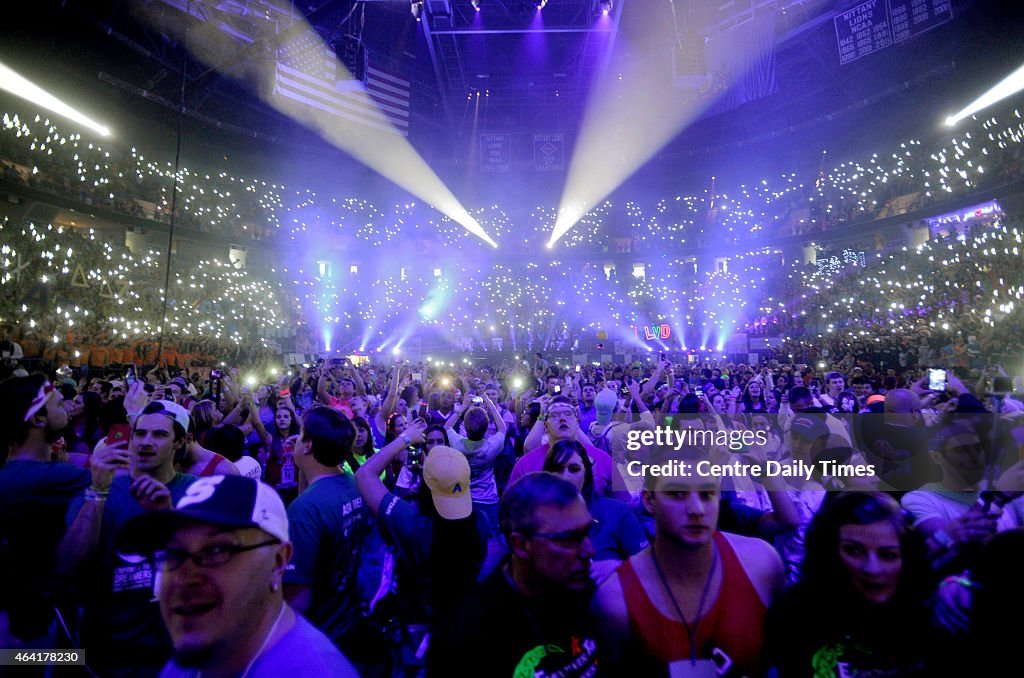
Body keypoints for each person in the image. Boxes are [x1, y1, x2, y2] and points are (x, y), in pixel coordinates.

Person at [113, 475, 359, 677]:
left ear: (278, 562)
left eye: (217, 550)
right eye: (173, 554)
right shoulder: (198, 653)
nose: (183, 578)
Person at [593, 455, 784, 676]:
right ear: (649, 500)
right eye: (677, 494)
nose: (696, 509)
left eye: (707, 494)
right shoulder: (615, 601)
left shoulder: (762, 564)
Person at [58, 397, 199, 677]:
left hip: (180, 651)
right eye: (140, 433)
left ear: (179, 443)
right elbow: (68, 567)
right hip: (110, 652)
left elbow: (214, 569)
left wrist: (167, 518)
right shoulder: (101, 491)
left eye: (160, 435)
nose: (146, 442)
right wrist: (97, 493)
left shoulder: (200, 493)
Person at [428, 472, 600, 677]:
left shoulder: (588, 592)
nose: (589, 551)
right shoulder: (468, 634)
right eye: (569, 539)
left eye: (587, 532)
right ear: (521, 545)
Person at [764, 492, 934, 676]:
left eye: (888, 555)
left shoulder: (931, 616)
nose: (872, 569)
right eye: (853, 551)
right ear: (828, 551)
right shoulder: (794, 615)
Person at [0, 374, 90, 648]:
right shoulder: (48, 478)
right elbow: (126, 478)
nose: (70, 405)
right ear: (38, 419)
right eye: (60, 403)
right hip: (34, 630)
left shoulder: (14, 472)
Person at [284, 407, 372, 664]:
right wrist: (302, 462)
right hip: (349, 620)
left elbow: (297, 598)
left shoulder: (305, 511)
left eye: (300, 436)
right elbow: (312, 493)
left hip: (320, 636)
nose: (296, 440)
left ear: (309, 445)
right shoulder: (352, 483)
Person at [542, 440, 648, 585]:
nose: (565, 477)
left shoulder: (617, 512)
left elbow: (648, 569)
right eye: (558, 469)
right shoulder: (536, 518)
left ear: (586, 474)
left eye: (574, 469)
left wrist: (620, 569)